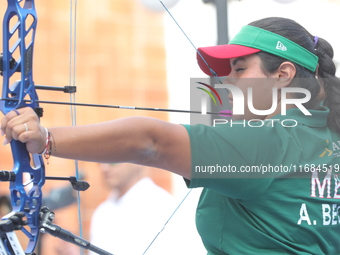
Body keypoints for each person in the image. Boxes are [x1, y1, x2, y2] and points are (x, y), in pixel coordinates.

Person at [2, 16, 340, 254]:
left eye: (239, 69)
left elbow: (150, 142)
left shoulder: (266, 141)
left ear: (283, 75)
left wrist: (46, 138)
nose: (226, 83)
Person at [88, 163, 176, 255]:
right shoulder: (101, 212)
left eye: (113, 159)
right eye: (100, 160)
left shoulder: (164, 208)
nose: (104, 167)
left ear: (138, 161)